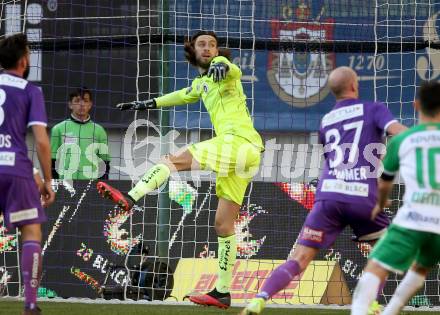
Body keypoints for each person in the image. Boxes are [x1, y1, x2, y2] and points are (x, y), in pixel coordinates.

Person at [96, 30, 264, 309]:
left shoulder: (227, 72)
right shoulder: (201, 83)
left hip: (238, 143)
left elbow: (230, 68)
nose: (209, 48)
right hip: (246, 156)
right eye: (202, 45)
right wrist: (149, 103)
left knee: (170, 161)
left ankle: (131, 197)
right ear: (192, 50)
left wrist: (223, 63)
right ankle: (222, 292)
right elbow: (182, 95)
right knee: (223, 224)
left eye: (213, 45)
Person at [240, 66, 407, 315]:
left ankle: (260, 298)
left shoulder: (326, 121)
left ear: (333, 91)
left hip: (328, 197)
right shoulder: (374, 108)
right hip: (364, 197)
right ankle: (371, 304)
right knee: (381, 255)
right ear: (354, 85)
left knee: (298, 260)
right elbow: (399, 134)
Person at [351, 81, 440, 315]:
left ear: (416, 105)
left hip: (413, 218)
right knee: (421, 269)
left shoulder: (403, 140)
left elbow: (384, 184)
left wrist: (380, 205)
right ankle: (391, 311)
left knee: (376, 266)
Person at [0, 33, 55, 315]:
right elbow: (42, 141)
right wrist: (45, 179)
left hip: (17, 168)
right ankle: (30, 305)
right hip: (14, 170)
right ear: (23, 60)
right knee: (31, 231)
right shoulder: (30, 91)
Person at [50, 87, 110, 180]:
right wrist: (55, 184)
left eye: (85, 101)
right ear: (70, 104)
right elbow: (52, 160)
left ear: (90, 104)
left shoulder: (99, 131)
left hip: (92, 185)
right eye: (77, 100)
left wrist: (102, 186)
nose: (81, 104)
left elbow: (105, 162)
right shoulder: (58, 129)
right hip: (65, 184)